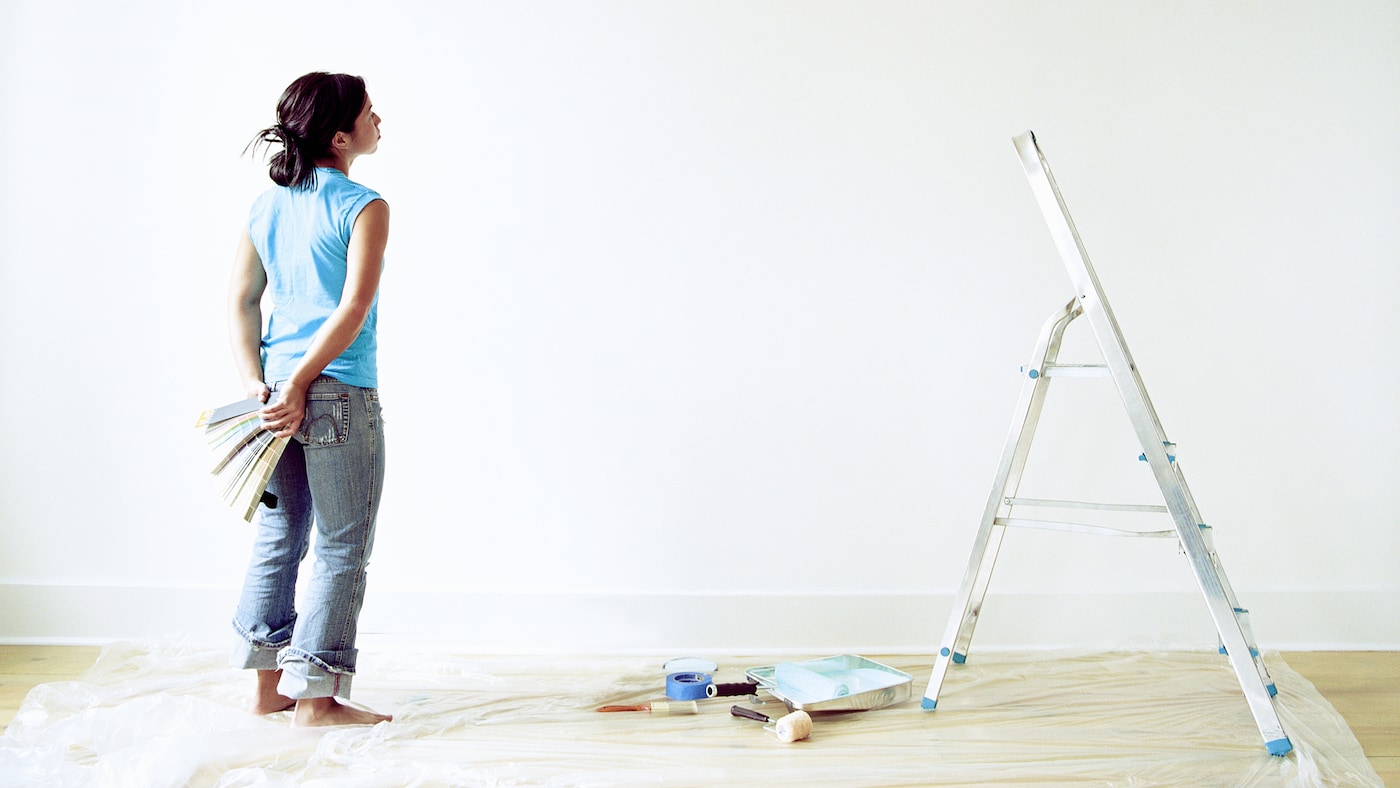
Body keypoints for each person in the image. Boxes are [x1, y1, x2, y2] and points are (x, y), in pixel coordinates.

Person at [226, 71, 391, 727]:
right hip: (336, 391)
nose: (380, 122)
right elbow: (352, 309)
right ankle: (318, 701)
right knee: (342, 548)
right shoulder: (364, 206)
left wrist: (259, 383)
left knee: (278, 537)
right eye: (371, 113)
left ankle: (269, 692)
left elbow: (242, 300)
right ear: (340, 136)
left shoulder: (266, 206)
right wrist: (299, 384)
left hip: (272, 395)